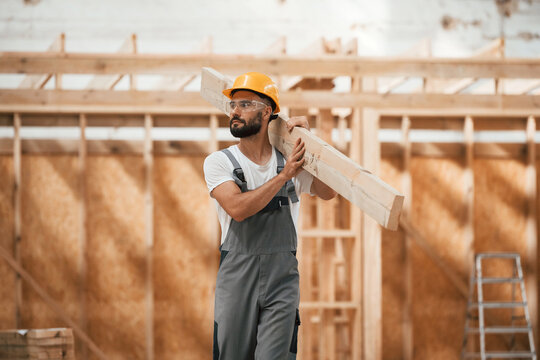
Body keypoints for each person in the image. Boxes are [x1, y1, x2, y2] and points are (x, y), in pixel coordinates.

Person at [203, 71, 336, 360]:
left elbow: (329, 191)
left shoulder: (290, 161)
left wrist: (311, 145)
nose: (235, 112)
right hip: (238, 276)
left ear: (267, 113)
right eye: (233, 105)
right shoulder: (219, 162)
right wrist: (284, 176)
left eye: (245, 104)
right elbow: (237, 209)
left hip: (282, 279)